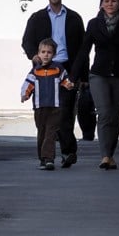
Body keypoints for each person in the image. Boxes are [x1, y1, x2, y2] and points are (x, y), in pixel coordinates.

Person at [70, 0, 119, 170]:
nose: (110, 4)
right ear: (101, 4)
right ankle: (104, 155)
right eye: (106, 1)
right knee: (104, 114)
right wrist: (73, 76)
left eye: (113, 1)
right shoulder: (94, 24)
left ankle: (110, 154)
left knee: (115, 116)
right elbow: (83, 51)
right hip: (99, 75)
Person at [21, 0, 85, 167]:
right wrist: (34, 56)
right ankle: (48, 155)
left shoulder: (74, 18)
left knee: (64, 114)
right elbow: (27, 41)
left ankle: (67, 152)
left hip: (66, 69)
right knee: (45, 116)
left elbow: (83, 48)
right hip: (43, 72)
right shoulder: (37, 17)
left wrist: (82, 75)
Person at [20, 38, 75, 170]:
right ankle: (42, 159)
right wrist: (25, 94)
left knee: (50, 132)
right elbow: (28, 84)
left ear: (54, 54)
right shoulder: (35, 71)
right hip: (39, 107)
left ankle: (48, 159)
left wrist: (69, 84)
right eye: (43, 52)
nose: (46, 55)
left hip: (55, 107)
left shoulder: (58, 69)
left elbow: (65, 79)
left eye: (49, 52)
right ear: (38, 54)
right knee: (42, 133)